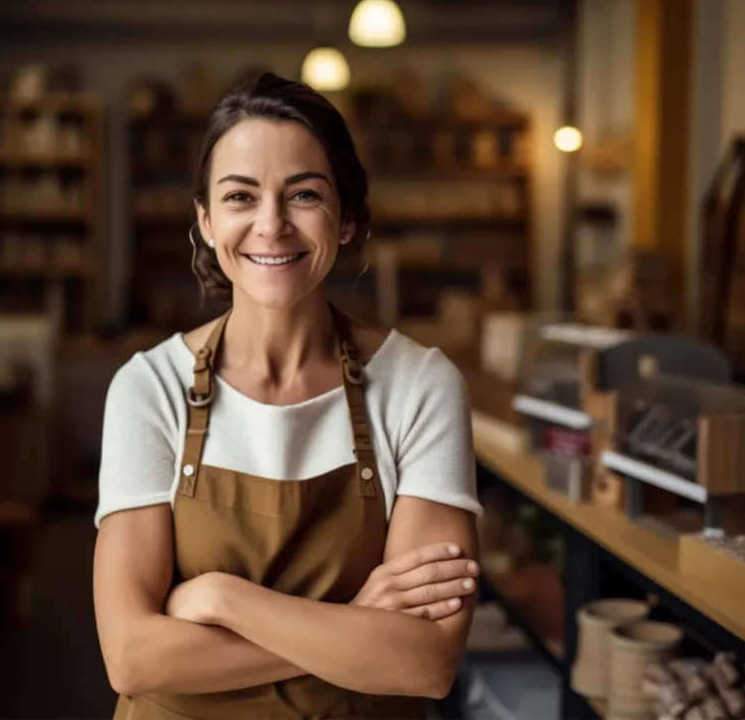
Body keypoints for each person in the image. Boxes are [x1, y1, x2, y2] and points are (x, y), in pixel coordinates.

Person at [94, 73, 482, 720]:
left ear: (348, 216)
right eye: (241, 196)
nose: (271, 225)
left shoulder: (420, 386)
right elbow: (133, 656)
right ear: (207, 219)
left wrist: (222, 598)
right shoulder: (148, 388)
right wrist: (355, 625)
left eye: (304, 194)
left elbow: (425, 662)